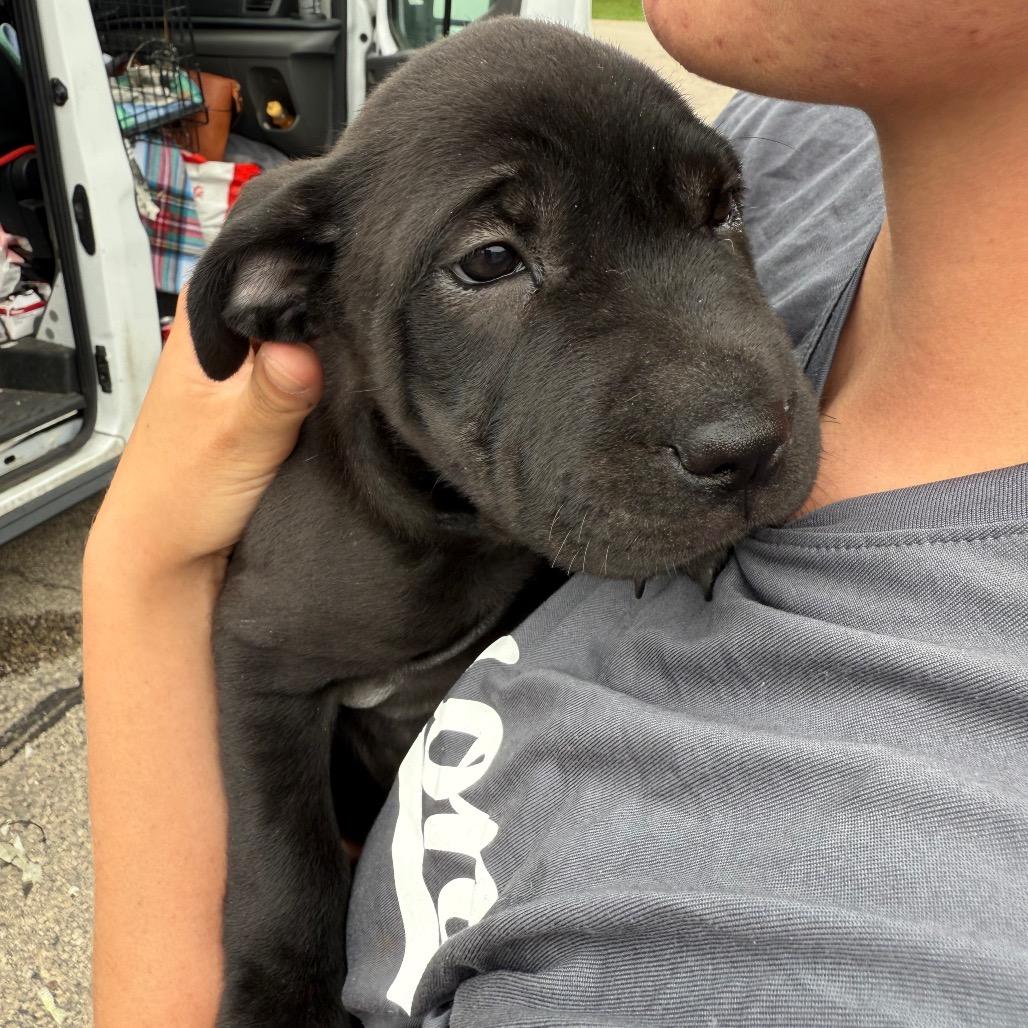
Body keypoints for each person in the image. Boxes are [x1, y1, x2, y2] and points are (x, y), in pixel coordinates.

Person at [83, 1, 1028, 1025]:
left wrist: (140, 557)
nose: (733, 417)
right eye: (490, 260)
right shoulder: (813, 125)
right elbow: (262, 675)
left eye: (714, 209)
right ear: (296, 289)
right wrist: (284, 966)